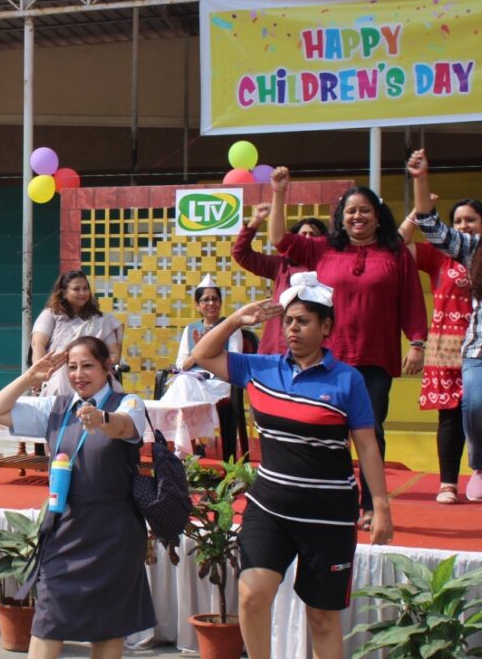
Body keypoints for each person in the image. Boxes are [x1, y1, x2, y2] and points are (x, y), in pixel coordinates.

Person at [189, 274, 393, 659]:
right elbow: (203, 356)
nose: (295, 329)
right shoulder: (260, 368)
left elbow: (366, 445)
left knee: (323, 619)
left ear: (326, 327)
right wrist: (237, 319)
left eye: (305, 321)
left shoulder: (348, 381)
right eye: (291, 321)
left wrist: (379, 505)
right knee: (252, 594)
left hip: (329, 514)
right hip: (269, 505)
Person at [0, 335, 154, 659]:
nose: (79, 375)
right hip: (65, 523)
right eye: (72, 368)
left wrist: (102, 421)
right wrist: (31, 375)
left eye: (88, 367)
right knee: (51, 606)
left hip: (114, 527)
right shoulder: (56, 407)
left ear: (106, 368)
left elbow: (127, 428)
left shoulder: (126, 403)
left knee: (109, 622)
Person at [268, 166, 427, 529]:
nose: (358, 216)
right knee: (328, 432)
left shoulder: (396, 252)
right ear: (341, 217)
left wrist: (417, 342)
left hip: (376, 359)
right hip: (329, 360)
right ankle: (331, 499)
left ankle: (371, 504)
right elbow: (279, 238)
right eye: (351, 211)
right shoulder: (323, 249)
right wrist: (279, 193)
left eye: (365, 210)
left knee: (370, 432)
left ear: (377, 216)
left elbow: (411, 301)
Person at [408, 149, 482, 502]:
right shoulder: (481, 249)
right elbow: (432, 227)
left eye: (471, 218)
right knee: (475, 405)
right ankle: (480, 465)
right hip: (481, 350)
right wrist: (420, 179)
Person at [164, 275, 243, 458]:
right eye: (205, 300)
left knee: (184, 384)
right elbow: (181, 364)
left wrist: (208, 350)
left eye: (214, 299)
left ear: (221, 302)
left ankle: (184, 448)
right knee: (184, 381)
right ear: (197, 305)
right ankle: (189, 444)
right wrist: (199, 351)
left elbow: (234, 360)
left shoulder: (230, 328)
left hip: (218, 382)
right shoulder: (190, 329)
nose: (210, 303)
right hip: (193, 379)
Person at [233, 203, 328, 354]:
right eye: (303, 235)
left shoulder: (331, 267)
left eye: (314, 234)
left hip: (317, 349)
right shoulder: (281, 265)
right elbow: (241, 254)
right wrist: (255, 221)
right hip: (278, 348)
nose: (308, 238)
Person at [31, 270, 123, 396]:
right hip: (58, 372)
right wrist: (39, 374)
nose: (82, 293)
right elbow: (38, 344)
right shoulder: (51, 315)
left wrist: (100, 367)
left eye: (85, 288)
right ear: (63, 292)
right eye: (76, 289)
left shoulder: (101, 319)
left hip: (95, 374)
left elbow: (113, 353)